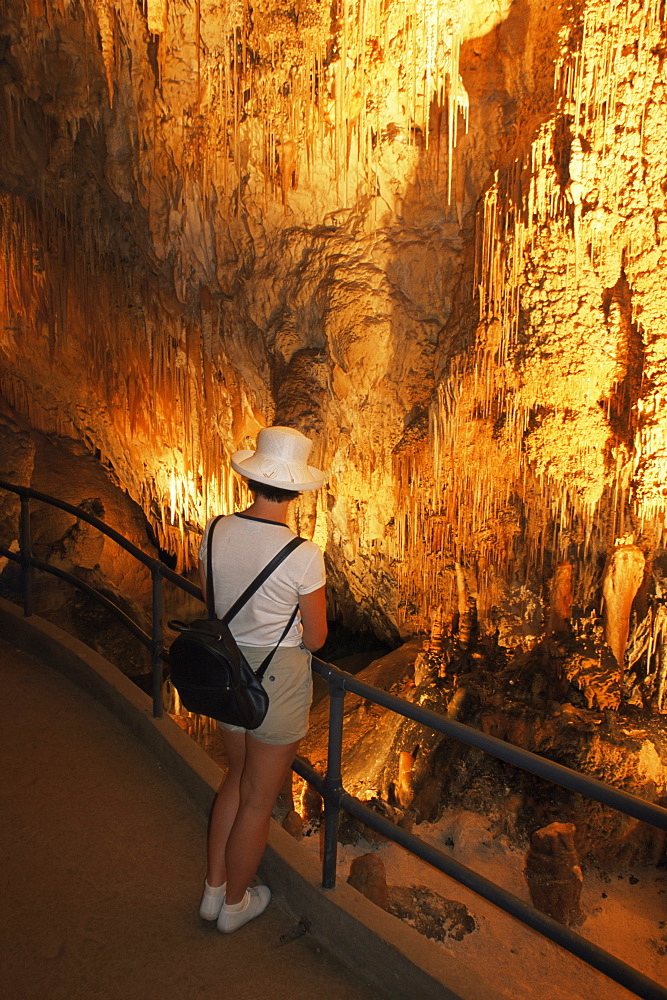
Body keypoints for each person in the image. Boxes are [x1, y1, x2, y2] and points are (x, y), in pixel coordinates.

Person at [196, 425, 328, 933]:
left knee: (234, 779)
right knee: (258, 797)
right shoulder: (303, 554)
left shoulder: (215, 529)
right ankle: (234, 907)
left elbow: (215, 598)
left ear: (252, 479)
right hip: (277, 684)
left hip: (228, 677)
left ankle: (212, 890)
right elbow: (315, 639)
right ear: (297, 490)